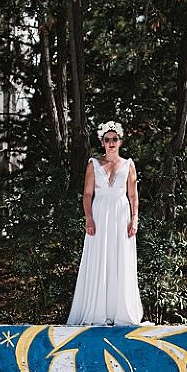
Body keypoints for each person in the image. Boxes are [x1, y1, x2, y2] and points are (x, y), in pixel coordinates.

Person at [66, 121, 143, 326]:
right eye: (107, 139)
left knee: (120, 258)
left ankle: (120, 311)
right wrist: (89, 217)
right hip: (100, 214)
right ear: (102, 142)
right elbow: (87, 194)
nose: (111, 143)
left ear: (120, 141)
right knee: (99, 257)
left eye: (114, 139)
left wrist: (134, 218)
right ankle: (97, 310)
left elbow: (133, 195)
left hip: (120, 214)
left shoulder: (128, 165)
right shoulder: (93, 164)